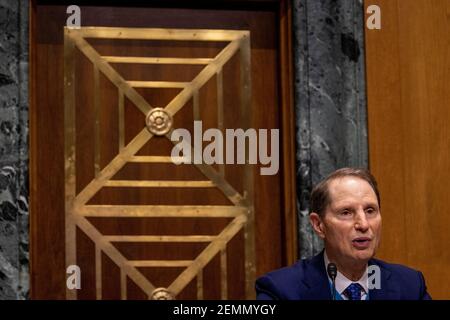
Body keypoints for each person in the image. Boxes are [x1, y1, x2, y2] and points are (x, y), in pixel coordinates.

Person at [255, 167, 431, 300]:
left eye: (370, 210)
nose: (363, 224)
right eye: (346, 212)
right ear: (318, 225)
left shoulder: (410, 286)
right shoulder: (280, 290)